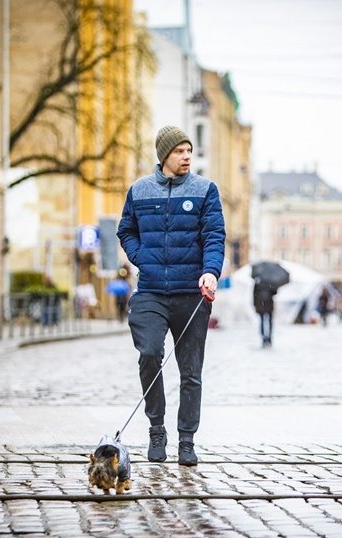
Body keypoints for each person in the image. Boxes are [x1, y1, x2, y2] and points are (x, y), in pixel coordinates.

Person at [116, 125, 225, 467]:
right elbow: (125, 230)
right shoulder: (139, 190)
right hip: (150, 291)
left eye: (189, 150)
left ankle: (187, 440)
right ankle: (156, 429)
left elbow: (214, 235)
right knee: (149, 354)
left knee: (190, 371)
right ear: (164, 155)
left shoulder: (205, 190)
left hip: (191, 294)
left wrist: (210, 270)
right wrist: (143, 257)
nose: (187, 156)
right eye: (179, 151)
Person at [253, 280, 276, 348]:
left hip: (260, 303)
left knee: (262, 321)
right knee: (269, 321)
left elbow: (254, 294)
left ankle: (264, 338)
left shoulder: (258, 281)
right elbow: (275, 292)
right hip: (269, 303)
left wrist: (255, 304)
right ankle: (269, 338)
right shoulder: (270, 281)